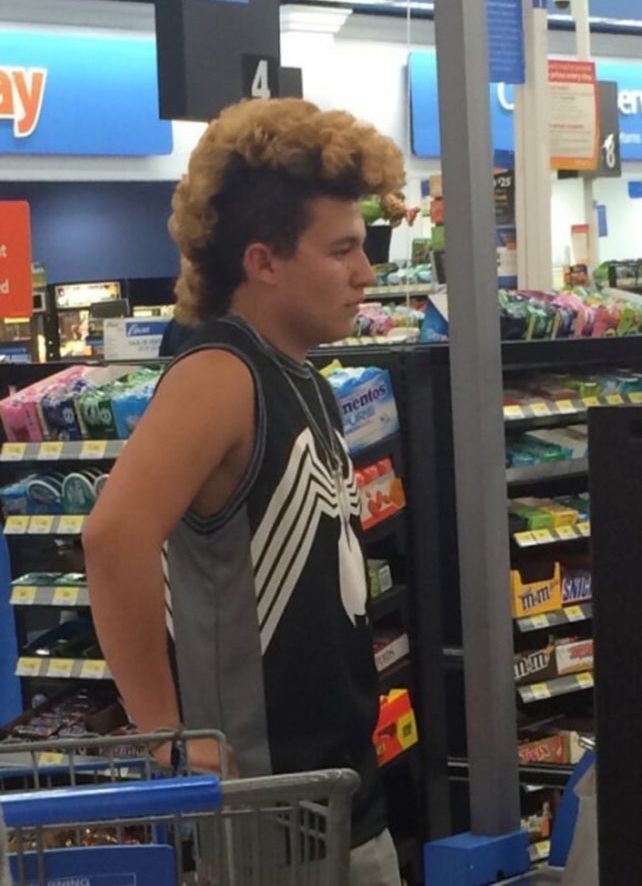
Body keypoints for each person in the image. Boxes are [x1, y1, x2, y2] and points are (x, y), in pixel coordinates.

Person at [83, 97, 406, 885]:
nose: (366, 273)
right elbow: (113, 536)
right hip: (264, 821)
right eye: (342, 250)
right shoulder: (221, 375)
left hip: (336, 801)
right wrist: (165, 731)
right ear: (264, 261)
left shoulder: (305, 382)